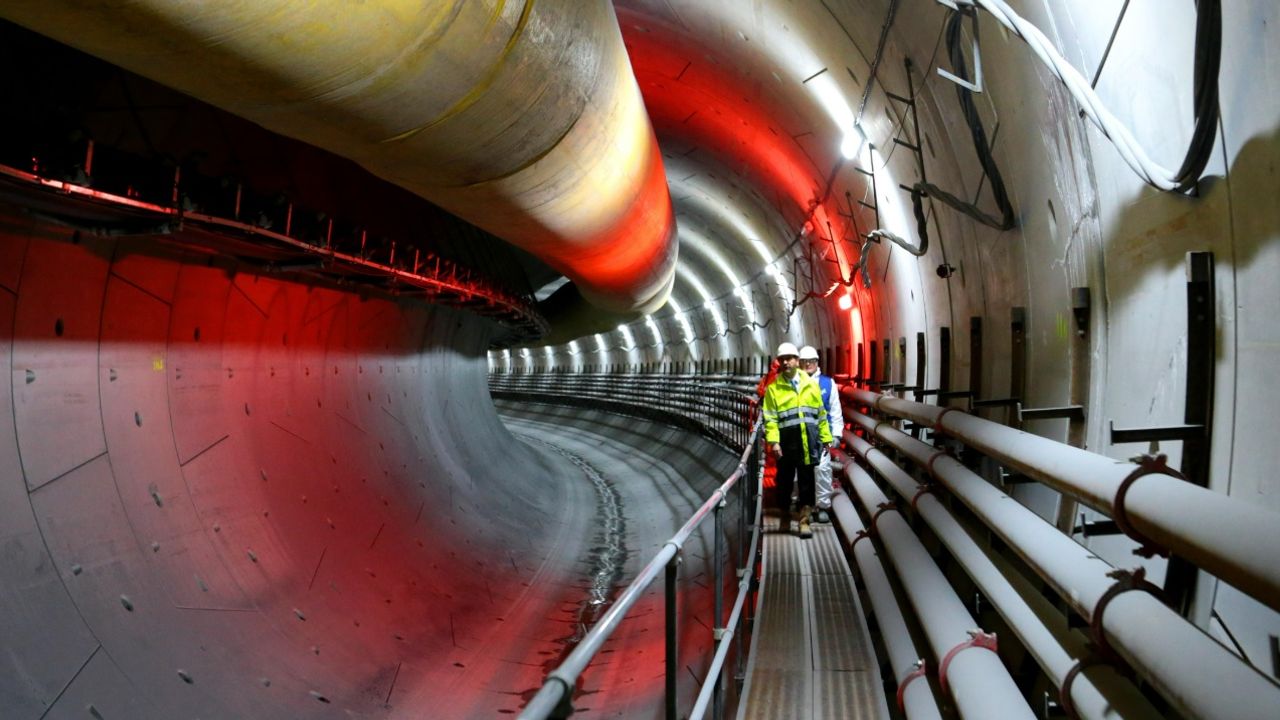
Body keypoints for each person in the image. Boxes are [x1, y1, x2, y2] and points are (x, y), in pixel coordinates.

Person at [761, 342, 832, 539]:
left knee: (806, 483)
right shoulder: (774, 390)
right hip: (785, 444)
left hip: (808, 443)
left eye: (789, 358)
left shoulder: (811, 386)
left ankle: (804, 521)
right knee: (783, 482)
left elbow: (821, 415)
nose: (786, 362)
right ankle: (785, 514)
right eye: (782, 359)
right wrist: (774, 442)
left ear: (797, 360)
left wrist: (826, 438)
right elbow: (771, 419)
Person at [799, 345, 843, 523]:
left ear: (817, 362)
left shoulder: (827, 383)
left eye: (812, 361)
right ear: (800, 363)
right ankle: (803, 505)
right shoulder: (793, 382)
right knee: (801, 472)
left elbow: (835, 410)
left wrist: (837, 435)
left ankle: (822, 506)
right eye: (805, 361)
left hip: (821, 437)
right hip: (800, 435)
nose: (808, 364)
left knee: (822, 470)